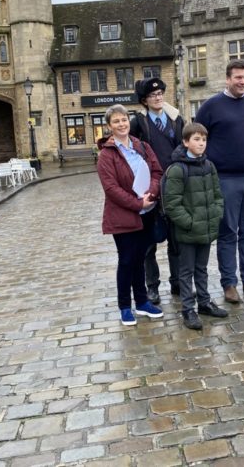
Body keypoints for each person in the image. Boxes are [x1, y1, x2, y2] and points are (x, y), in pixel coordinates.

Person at [196, 59, 244, 303]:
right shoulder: (211, 106)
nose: (243, 82)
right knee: (228, 233)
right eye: (238, 77)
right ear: (227, 79)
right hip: (226, 180)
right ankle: (229, 283)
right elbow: (197, 139)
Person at [96, 104, 164, 326]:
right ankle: (125, 306)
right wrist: (137, 203)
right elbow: (111, 189)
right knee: (127, 260)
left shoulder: (142, 146)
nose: (121, 124)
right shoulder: (107, 155)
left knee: (140, 259)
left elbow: (157, 171)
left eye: (124, 119)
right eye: (116, 121)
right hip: (124, 215)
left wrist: (152, 193)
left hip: (147, 212)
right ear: (109, 126)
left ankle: (142, 302)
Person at [163, 122, 227, 330]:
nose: (201, 143)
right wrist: (189, 223)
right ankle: (188, 309)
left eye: (204, 139)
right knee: (186, 271)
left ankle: (204, 302)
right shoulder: (177, 169)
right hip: (188, 231)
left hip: (206, 229)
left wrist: (215, 214)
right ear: (185, 142)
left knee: (202, 269)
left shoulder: (209, 166)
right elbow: (171, 204)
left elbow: (217, 195)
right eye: (196, 139)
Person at [130, 77, 184, 304]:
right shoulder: (138, 123)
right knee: (149, 244)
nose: (158, 98)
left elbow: (184, 147)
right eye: (153, 95)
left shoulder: (175, 120)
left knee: (176, 240)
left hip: (174, 188)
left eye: (160, 93)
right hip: (149, 188)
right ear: (144, 100)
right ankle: (152, 287)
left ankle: (177, 282)